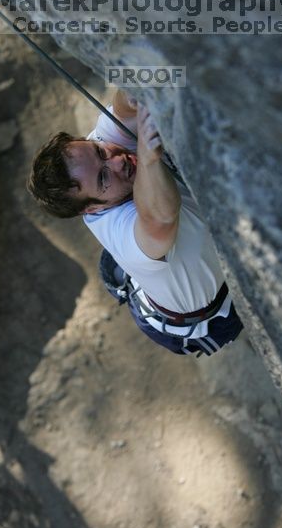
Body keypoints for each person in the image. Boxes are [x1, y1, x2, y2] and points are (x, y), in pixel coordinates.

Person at [27, 90, 243, 356]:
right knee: (144, 250)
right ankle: (132, 278)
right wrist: (148, 156)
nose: (118, 160)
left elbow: (124, 102)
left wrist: (138, 83)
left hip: (156, 257)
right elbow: (160, 217)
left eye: (99, 151)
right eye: (104, 178)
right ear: (92, 208)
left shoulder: (95, 161)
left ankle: (131, 273)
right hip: (207, 319)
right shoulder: (124, 230)